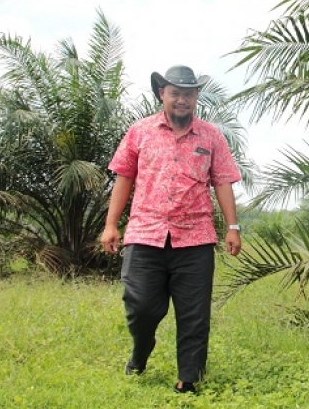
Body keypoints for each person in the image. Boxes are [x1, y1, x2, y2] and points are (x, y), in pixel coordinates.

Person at [100, 65, 242, 395]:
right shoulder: (140, 132)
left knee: (195, 314)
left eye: (189, 93)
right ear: (162, 94)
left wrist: (232, 227)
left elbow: (222, 182)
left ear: (196, 97)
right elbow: (124, 178)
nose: (182, 99)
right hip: (145, 236)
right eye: (175, 93)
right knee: (141, 308)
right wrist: (110, 225)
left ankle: (188, 379)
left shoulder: (211, 136)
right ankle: (140, 352)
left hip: (195, 240)